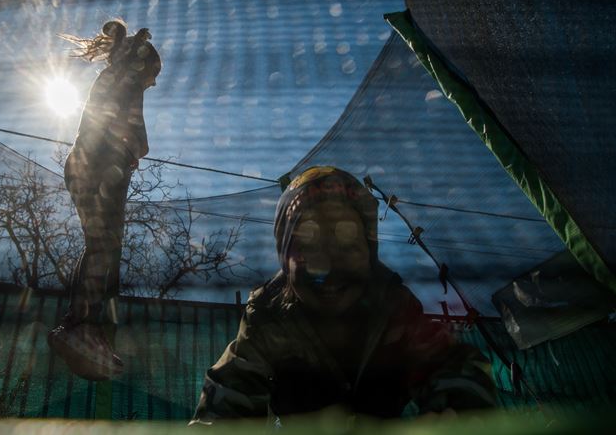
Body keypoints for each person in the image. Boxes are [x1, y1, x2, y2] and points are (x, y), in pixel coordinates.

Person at [190, 167, 496, 424]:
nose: (329, 266)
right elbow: (226, 401)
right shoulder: (269, 318)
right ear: (285, 258)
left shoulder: (393, 307)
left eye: (348, 243)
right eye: (308, 244)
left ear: (369, 253)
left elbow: (454, 366)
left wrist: (454, 416)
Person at [47, 20, 161, 381]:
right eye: (153, 74)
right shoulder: (127, 82)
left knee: (101, 244)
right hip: (101, 163)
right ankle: (79, 326)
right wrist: (138, 147)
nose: (154, 82)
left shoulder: (111, 81)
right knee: (105, 245)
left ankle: (82, 326)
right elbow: (135, 135)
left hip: (86, 164)